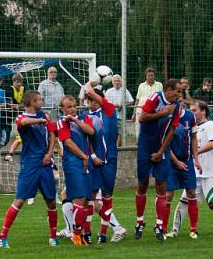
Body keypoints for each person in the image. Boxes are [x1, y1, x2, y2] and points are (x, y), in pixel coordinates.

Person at [0, 90, 59, 248]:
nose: (42, 102)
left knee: (51, 201)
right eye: (39, 99)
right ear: (31, 102)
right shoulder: (21, 117)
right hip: (30, 164)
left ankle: (53, 236)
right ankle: (2, 236)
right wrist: (39, 121)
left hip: (45, 163)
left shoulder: (45, 116)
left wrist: (50, 153)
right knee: (20, 200)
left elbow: (52, 135)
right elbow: (23, 123)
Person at [173, 99, 213, 237]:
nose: (191, 112)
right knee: (184, 201)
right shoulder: (191, 127)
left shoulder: (210, 125)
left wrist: (195, 152)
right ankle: (174, 231)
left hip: (211, 172)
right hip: (195, 172)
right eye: (190, 110)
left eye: (194, 110)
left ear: (203, 111)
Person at [134, 78, 181, 241]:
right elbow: (142, 118)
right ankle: (139, 222)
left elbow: (172, 131)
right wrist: (162, 113)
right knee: (143, 182)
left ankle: (159, 225)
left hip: (162, 148)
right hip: (146, 146)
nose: (179, 95)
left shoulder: (176, 107)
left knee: (161, 184)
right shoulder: (155, 98)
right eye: (177, 91)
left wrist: (161, 151)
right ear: (168, 90)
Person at [83, 82, 127, 243]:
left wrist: (92, 83)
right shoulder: (85, 117)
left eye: (94, 99)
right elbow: (86, 141)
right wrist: (92, 155)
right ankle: (86, 232)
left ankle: (103, 234)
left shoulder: (108, 110)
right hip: (93, 161)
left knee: (107, 196)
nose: (91, 103)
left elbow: (89, 90)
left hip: (109, 161)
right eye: (89, 100)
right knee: (91, 196)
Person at [56, 95, 96, 245]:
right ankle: (76, 235)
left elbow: (91, 132)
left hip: (86, 162)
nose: (72, 109)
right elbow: (68, 143)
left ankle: (83, 234)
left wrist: (75, 120)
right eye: (69, 107)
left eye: (74, 106)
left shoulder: (83, 118)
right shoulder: (61, 122)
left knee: (86, 200)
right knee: (79, 197)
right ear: (62, 109)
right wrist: (84, 157)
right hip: (72, 162)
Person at [165, 95, 201, 238]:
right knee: (168, 195)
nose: (179, 104)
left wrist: (196, 159)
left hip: (187, 161)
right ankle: (163, 229)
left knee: (191, 193)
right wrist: (176, 162)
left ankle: (193, 229)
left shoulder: (190, 117)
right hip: (172, 163)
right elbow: (165, 144)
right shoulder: (167, 118)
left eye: (181, 102)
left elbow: (193, 138)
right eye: (176, 102)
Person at [134, 68, 163, 139]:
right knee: (139, 129)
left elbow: (162, 98)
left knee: (153, 129)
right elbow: (137, 99)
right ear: (146, 76)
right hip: (140, 111)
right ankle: (139, 144)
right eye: (148, 75)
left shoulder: (159, 85)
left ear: (154, 76)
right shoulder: (141, 85)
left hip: (154, 112)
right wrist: (134, 112)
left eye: (152, 75)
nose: (150, 77)